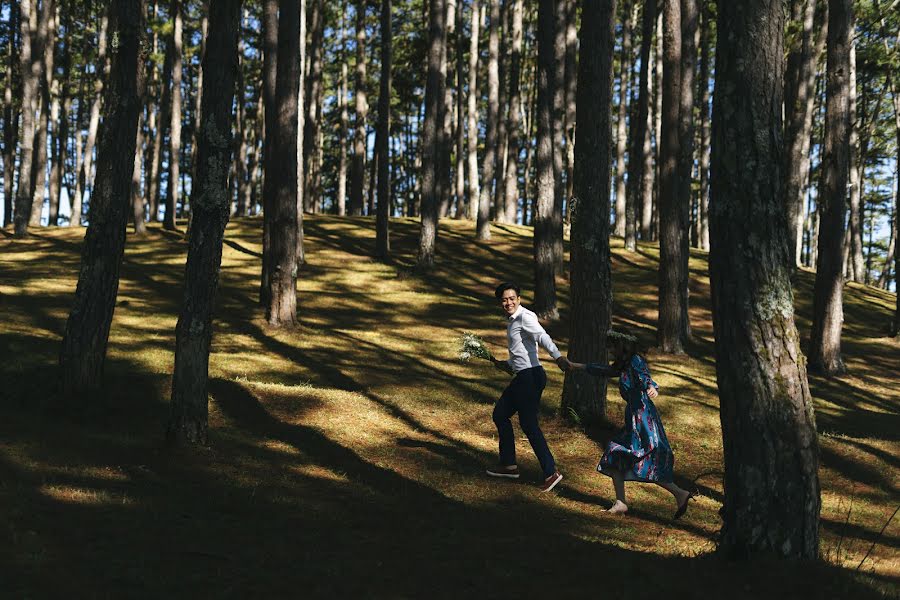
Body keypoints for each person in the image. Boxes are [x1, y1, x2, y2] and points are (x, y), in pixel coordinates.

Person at [565, 330, 693, 518]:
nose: (608, 351)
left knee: (643, 459)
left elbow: (645, 377)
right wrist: (575, 366)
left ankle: (679, 493)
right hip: (633, 417)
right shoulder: (623, 365)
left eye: (610, 347)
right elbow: (603, 370)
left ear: (620, 346)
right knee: (615, 455)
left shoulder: (635, 360)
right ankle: (621, 502)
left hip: (643, 418)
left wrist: (651, 387)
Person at [486, 282, 567, 493]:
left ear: (519, 299)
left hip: (530, 377)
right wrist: (507, 364)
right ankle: (509, 465)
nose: (508, 302)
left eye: (512, 298)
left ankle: (551, 472)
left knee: (529, 424)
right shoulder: (512, 321)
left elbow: (541, 337)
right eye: (504, 299)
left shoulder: (525, 317)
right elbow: (522, 350)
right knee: (501, 414)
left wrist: (558, 357)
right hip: (523, 375)